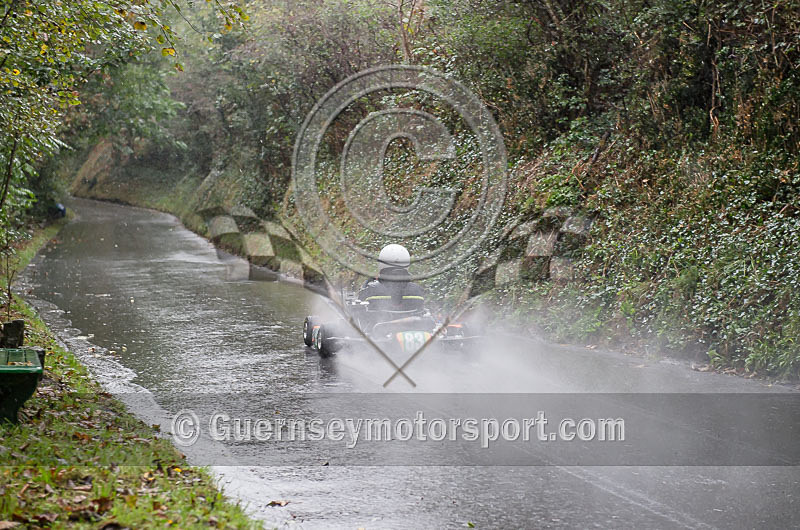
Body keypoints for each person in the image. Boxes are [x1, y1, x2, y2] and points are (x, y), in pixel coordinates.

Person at [359, 244, 425, 312]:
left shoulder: (370, 290)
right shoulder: (417, 290)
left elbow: (359, 314)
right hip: (412, 322)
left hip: (379, 321)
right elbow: (421, 312)